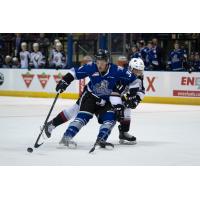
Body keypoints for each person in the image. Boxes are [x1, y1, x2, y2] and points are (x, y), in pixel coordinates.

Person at [44, 49, 137, 148]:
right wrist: (64, 81)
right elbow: (73, 72)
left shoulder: (117, 70)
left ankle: (100, 140)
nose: (99, 65)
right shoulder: (91, 67)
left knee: (110, 118)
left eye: (102, 62)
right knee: (81, 116)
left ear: (107, 61)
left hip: (106, 101)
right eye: (97, 62)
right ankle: (65, 137)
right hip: (90, 97)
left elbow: (134, 80)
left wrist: (132, 94)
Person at [109, 57, 145, 144]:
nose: (138, 73)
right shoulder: (122, 74)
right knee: (115, 114)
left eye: (140, 70)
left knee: (127, 109)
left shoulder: (139, 78)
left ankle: (123, 133)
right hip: (110, 96)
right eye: (136, 70)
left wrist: (136, 99)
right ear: (130, 68)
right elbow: (113, 90)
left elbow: (141, 90)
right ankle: (104, 133)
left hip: (120, 96)